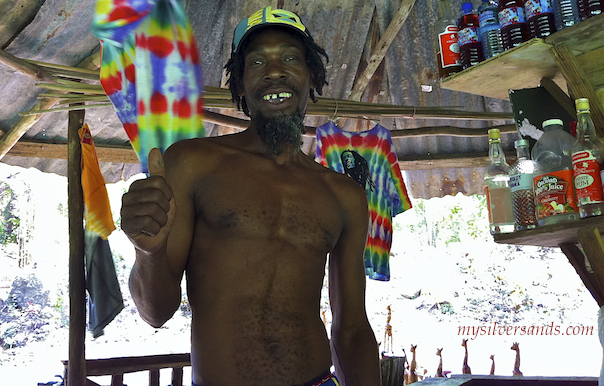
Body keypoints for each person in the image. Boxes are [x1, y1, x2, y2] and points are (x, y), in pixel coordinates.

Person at [120, 6, 381, 386]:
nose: (274, 70)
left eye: (290, 58)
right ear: (240, 85)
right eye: (257, 61)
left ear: (312, 77)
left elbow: (353, 330)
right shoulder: (194, 163)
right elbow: (155, 313)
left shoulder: (344, 196)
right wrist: (148, 252)